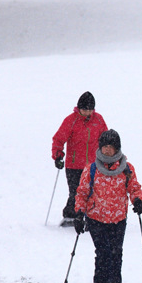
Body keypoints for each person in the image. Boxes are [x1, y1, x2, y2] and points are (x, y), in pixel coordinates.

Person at [74, 129, 142, 283]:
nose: (107, 150)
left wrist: (138, 201)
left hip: (118, 218)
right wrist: (79, 213)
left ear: (117, 148)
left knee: (116, 251)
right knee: (103, 252)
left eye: (111, 147)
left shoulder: (127, 168)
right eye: (104, 146)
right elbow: (82, 193)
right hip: (96, 218)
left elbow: (134, 187)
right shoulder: (91, 169)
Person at [51, 92, 108, 226]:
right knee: (76, 191)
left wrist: (108, 155)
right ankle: (71, 215)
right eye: (84, 110)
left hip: (93, 165)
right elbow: (59, 138)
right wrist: (58, 154)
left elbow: (105, 139)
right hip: (74, 165)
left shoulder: (98, 120)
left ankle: (91, 216)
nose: (87, 113)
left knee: (93, 191)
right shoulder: (71, 120)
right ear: (78, 108)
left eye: (90, 110)